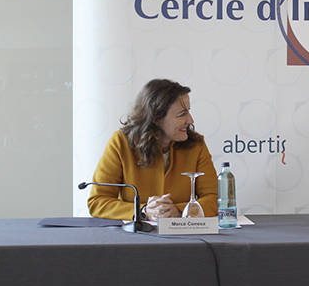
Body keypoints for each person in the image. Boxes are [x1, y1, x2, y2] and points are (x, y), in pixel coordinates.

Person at [88, 79, 218, 220]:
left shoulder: (196, 145)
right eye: (182, 114)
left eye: (189, 112)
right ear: (156, 118)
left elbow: (215, 199)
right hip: (134, 238)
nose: (190, 120)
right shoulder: (120, 142)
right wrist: (144, 211)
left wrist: (179, 211)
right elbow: (98, 202)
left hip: (184, 237)